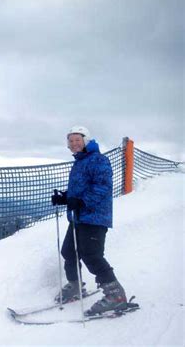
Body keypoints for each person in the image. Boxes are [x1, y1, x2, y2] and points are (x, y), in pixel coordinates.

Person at [51, 125, 127, 315]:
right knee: (69, 251)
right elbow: (80, 191)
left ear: (86, 140)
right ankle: (75, 286)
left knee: (91, 255)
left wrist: (82, 201)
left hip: (95, 216)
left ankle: (115, 295)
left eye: (77, 139)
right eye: (71, 140)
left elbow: (103, 187)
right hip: (78, 217)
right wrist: (65, 198)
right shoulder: (79, 162)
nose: (74, 143)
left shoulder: (99, 160)